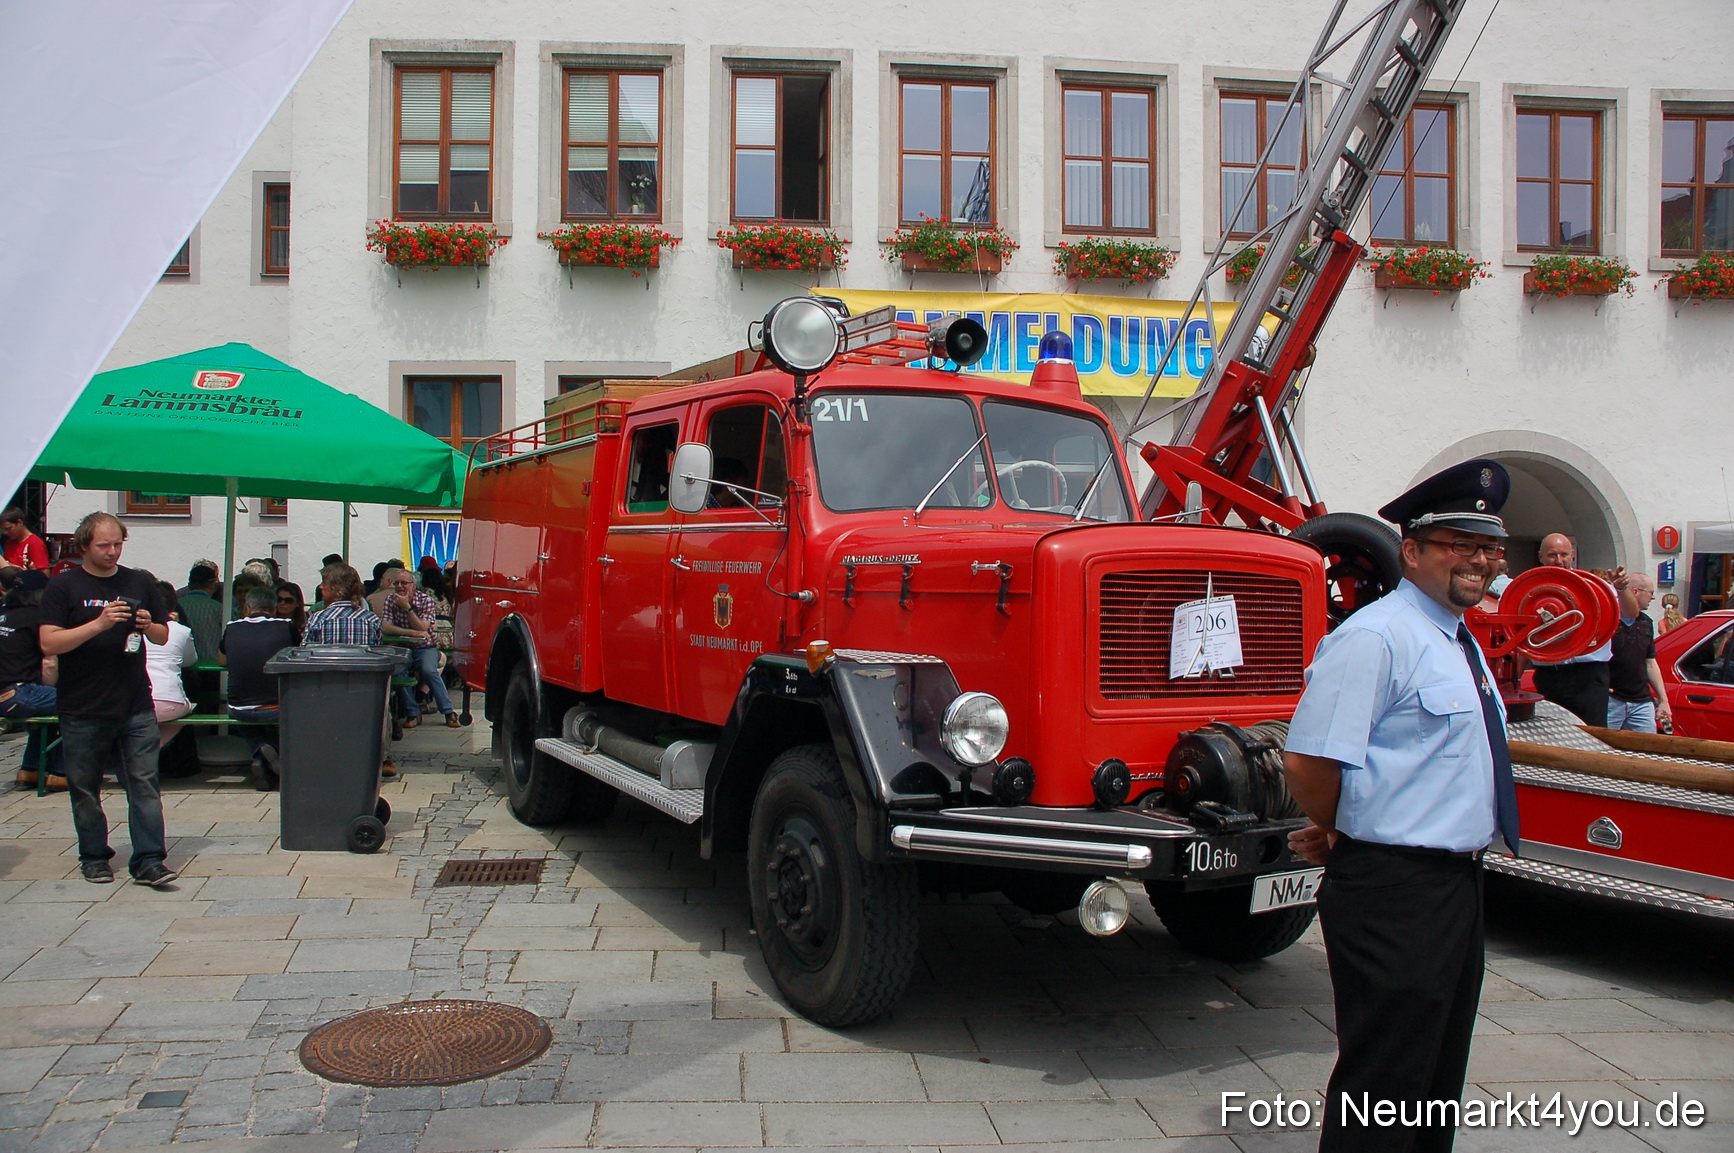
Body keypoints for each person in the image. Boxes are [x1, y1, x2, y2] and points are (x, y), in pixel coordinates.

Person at [1283, 459, 1521, 1153]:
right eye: (1459, 545)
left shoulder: (1455, 637)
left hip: (1454, 883)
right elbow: (1310, 758)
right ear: (1411, 550)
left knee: (1436, 1075)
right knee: (1386, 1081)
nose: (1478, 561)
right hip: (1395, 889)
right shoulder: (1376, 636)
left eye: (1488, 549)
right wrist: (1339, 826)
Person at [38, 512, 177, 887]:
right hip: (82, 705)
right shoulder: (63, 587)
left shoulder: (139, 581)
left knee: (144, 785)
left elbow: (164, 635)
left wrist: (148, 625)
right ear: (84, 545)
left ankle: (149, 859)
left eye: (118, 543)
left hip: (134, 703)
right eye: (104, 545)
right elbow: (49, 642)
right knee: (85, 787)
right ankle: (94, 856)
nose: (112, 551)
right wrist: (98, 624)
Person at [1526, 532, 1628, 727]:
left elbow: (1631, 613)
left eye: (1564, 555)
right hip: (1549, 676)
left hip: (1588, 676)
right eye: (1552, 555)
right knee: (1550, 735)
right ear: (1541, 557)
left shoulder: (1594, 587)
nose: (1559, 561)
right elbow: (1523, 636)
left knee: (1591, 736)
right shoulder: (1528, 589)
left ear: (1572, 555)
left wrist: (1622, 589)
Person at [219, 585, 297, 790]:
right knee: (285, 711)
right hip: (276, 707)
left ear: (247, 608)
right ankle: (272, 749)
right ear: (274, 609)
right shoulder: (285, 625)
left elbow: (221, 659)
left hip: (239, 708)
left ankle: (260, 750)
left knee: (243, 714)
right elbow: (298, 653)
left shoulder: (232, 627)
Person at [0, 572, 63, 788]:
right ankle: (62, 772)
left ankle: (31, 769)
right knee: (79, 702)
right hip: (17, 694)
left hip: (6, 695)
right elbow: (50, 665)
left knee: (44, 708)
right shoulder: (39, 619)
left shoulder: (3, 613)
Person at [380, 569, 459, 728]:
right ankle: (413, 712)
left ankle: (448, 711)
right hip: (402, 647)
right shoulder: (390, 600)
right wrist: (412, 632)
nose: (400, 586)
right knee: (397, 669)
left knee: (428, 670)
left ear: (413, 585)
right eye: (397, 583)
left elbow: (423, 625)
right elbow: (386, 627)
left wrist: (407, 608)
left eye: (404, 583)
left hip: (425, 647)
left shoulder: (426, 600)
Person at [1608, 574, 1672, 734]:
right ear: (1636, 592)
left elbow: (1650, 663)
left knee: (1647, 749)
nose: (1653, 597)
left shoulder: (1646, 623)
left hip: (1641, 701)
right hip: (1612, 699)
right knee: (1603, 749)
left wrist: (1663, 700)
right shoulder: (1608, 620)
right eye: (1650, 592)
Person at [145, 580, 197, 746]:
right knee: (191, 707)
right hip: (170, 701)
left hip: (136, 701)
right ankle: (154, 747)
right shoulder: (182, 630)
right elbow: (191, 660)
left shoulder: (134, 627)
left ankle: (145, 750)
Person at [176, 563, 224, 661]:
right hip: (213, 666)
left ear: (190, 584)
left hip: (184, 665)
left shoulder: (177, 606)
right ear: (211, 585)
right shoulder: (219, 608)